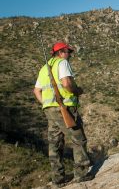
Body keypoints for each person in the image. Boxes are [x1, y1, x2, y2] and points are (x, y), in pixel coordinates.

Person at [33, 42, 92, 186]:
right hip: (64, 107)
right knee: (78, 139)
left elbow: (36, 91)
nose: (70, 55)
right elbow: (66, 84)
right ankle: (82, 173)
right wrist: (77, 90)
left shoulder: (43, 68)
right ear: (61, 52)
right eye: (68, 52)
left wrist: (46, 104)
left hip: (49, 110)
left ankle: (57, 179)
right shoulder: (62, 63)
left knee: (55, 143)